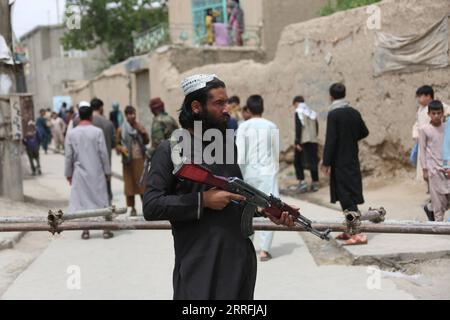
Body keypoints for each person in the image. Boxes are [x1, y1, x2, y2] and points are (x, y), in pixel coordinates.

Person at [143, 74, 293, 300]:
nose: (227, 110)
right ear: (196, 107)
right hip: (199, 265)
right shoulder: (170, 149)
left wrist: (266, 211)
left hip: (239, 262)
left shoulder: (225, 146)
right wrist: (203, 201)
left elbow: (236, 197)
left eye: (227, 103)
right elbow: (152, 206)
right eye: (219, 103)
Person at [322, 83, 369, 245]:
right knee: (347, 195)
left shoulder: (334, 114)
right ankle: (349, 230)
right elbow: (364, 132)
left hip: (339, 161)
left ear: (331, 96)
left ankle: (357, 234)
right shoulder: (354, 112)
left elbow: (331, 140)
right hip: (352, 159)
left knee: (346, 197)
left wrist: (326, 162)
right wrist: (350, 139)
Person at [236, 94, 280, 262]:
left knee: (248, 210)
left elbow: (240, 155)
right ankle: (265, 250)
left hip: (249, 173)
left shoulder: (243, 127)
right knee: (270, 208)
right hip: (268, 172)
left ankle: (248, 244)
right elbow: (276, 151)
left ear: (248, 108)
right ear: (262, 108)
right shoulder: (272, 126)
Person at [64, 101, 112, 240]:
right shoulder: (97, 132)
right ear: (91, 116)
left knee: (83, 202)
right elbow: (103, 154)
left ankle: (85, 230)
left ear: (79, 117)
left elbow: (69, 156)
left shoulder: (72, 134)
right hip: (97, 172)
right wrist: (107, 172)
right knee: (102, 200)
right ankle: (105, 230)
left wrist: (68, 173)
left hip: (80, 173)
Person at [419, 100, 450, 222]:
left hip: (446, 167)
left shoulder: (447, 127)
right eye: (433, 113)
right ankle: (438, 226)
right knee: (438, 200)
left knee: (446, 199)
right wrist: (425, 169)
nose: (436, 116)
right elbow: (422, 150)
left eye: (439, 113)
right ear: (429, 114)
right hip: (433, 170)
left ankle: (430, 208)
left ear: (443, 113)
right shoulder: (425, 129)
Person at [116, 106, 149, 216]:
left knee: (142, 185)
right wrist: (121, 148)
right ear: (126, 115)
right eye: (130, 114)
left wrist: (143, 132)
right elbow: (116, 144)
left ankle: (145, 206)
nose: (132, 116)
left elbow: (146, 141)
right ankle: (133, 208)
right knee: (130, 186)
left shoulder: (139, 127)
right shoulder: (121, 129)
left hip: (140, 159)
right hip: (128, 161)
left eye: (133, 113)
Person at [91, 98, 116, 208]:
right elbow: (114, 143)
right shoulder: (108, 123)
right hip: (106, 161)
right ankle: (107, 208)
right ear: (101, 108)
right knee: (106, 186)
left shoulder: (85, 123)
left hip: (90, 162)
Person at [293, 96, 320, 193]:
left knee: (297, 161)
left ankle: (302, 182)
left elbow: (298, 127)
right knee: (313, 162)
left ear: (296, 103)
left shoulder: (298, 111)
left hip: (303, 141)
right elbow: (317, 127)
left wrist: (297, 142)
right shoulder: (312, 112)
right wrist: (314, 137)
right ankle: (315, 183)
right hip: (313, 140)